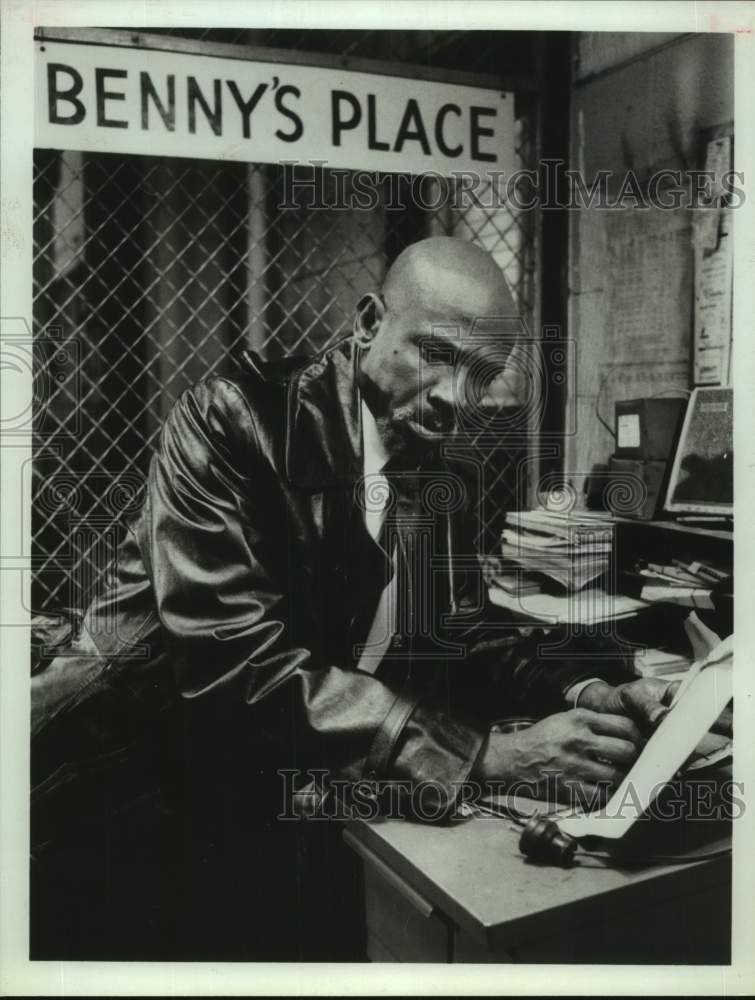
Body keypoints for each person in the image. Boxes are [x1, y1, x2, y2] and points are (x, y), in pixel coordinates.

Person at [30, 236, 676, 959]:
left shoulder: (434, 471)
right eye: (435, 353)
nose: (453, 398)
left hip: (286, 795)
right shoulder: (231, 422)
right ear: (369, 322)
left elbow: (458, 631)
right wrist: (483, 755)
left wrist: (587, 687)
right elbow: (236, 667)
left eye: (481, 374)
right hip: (132, 796)